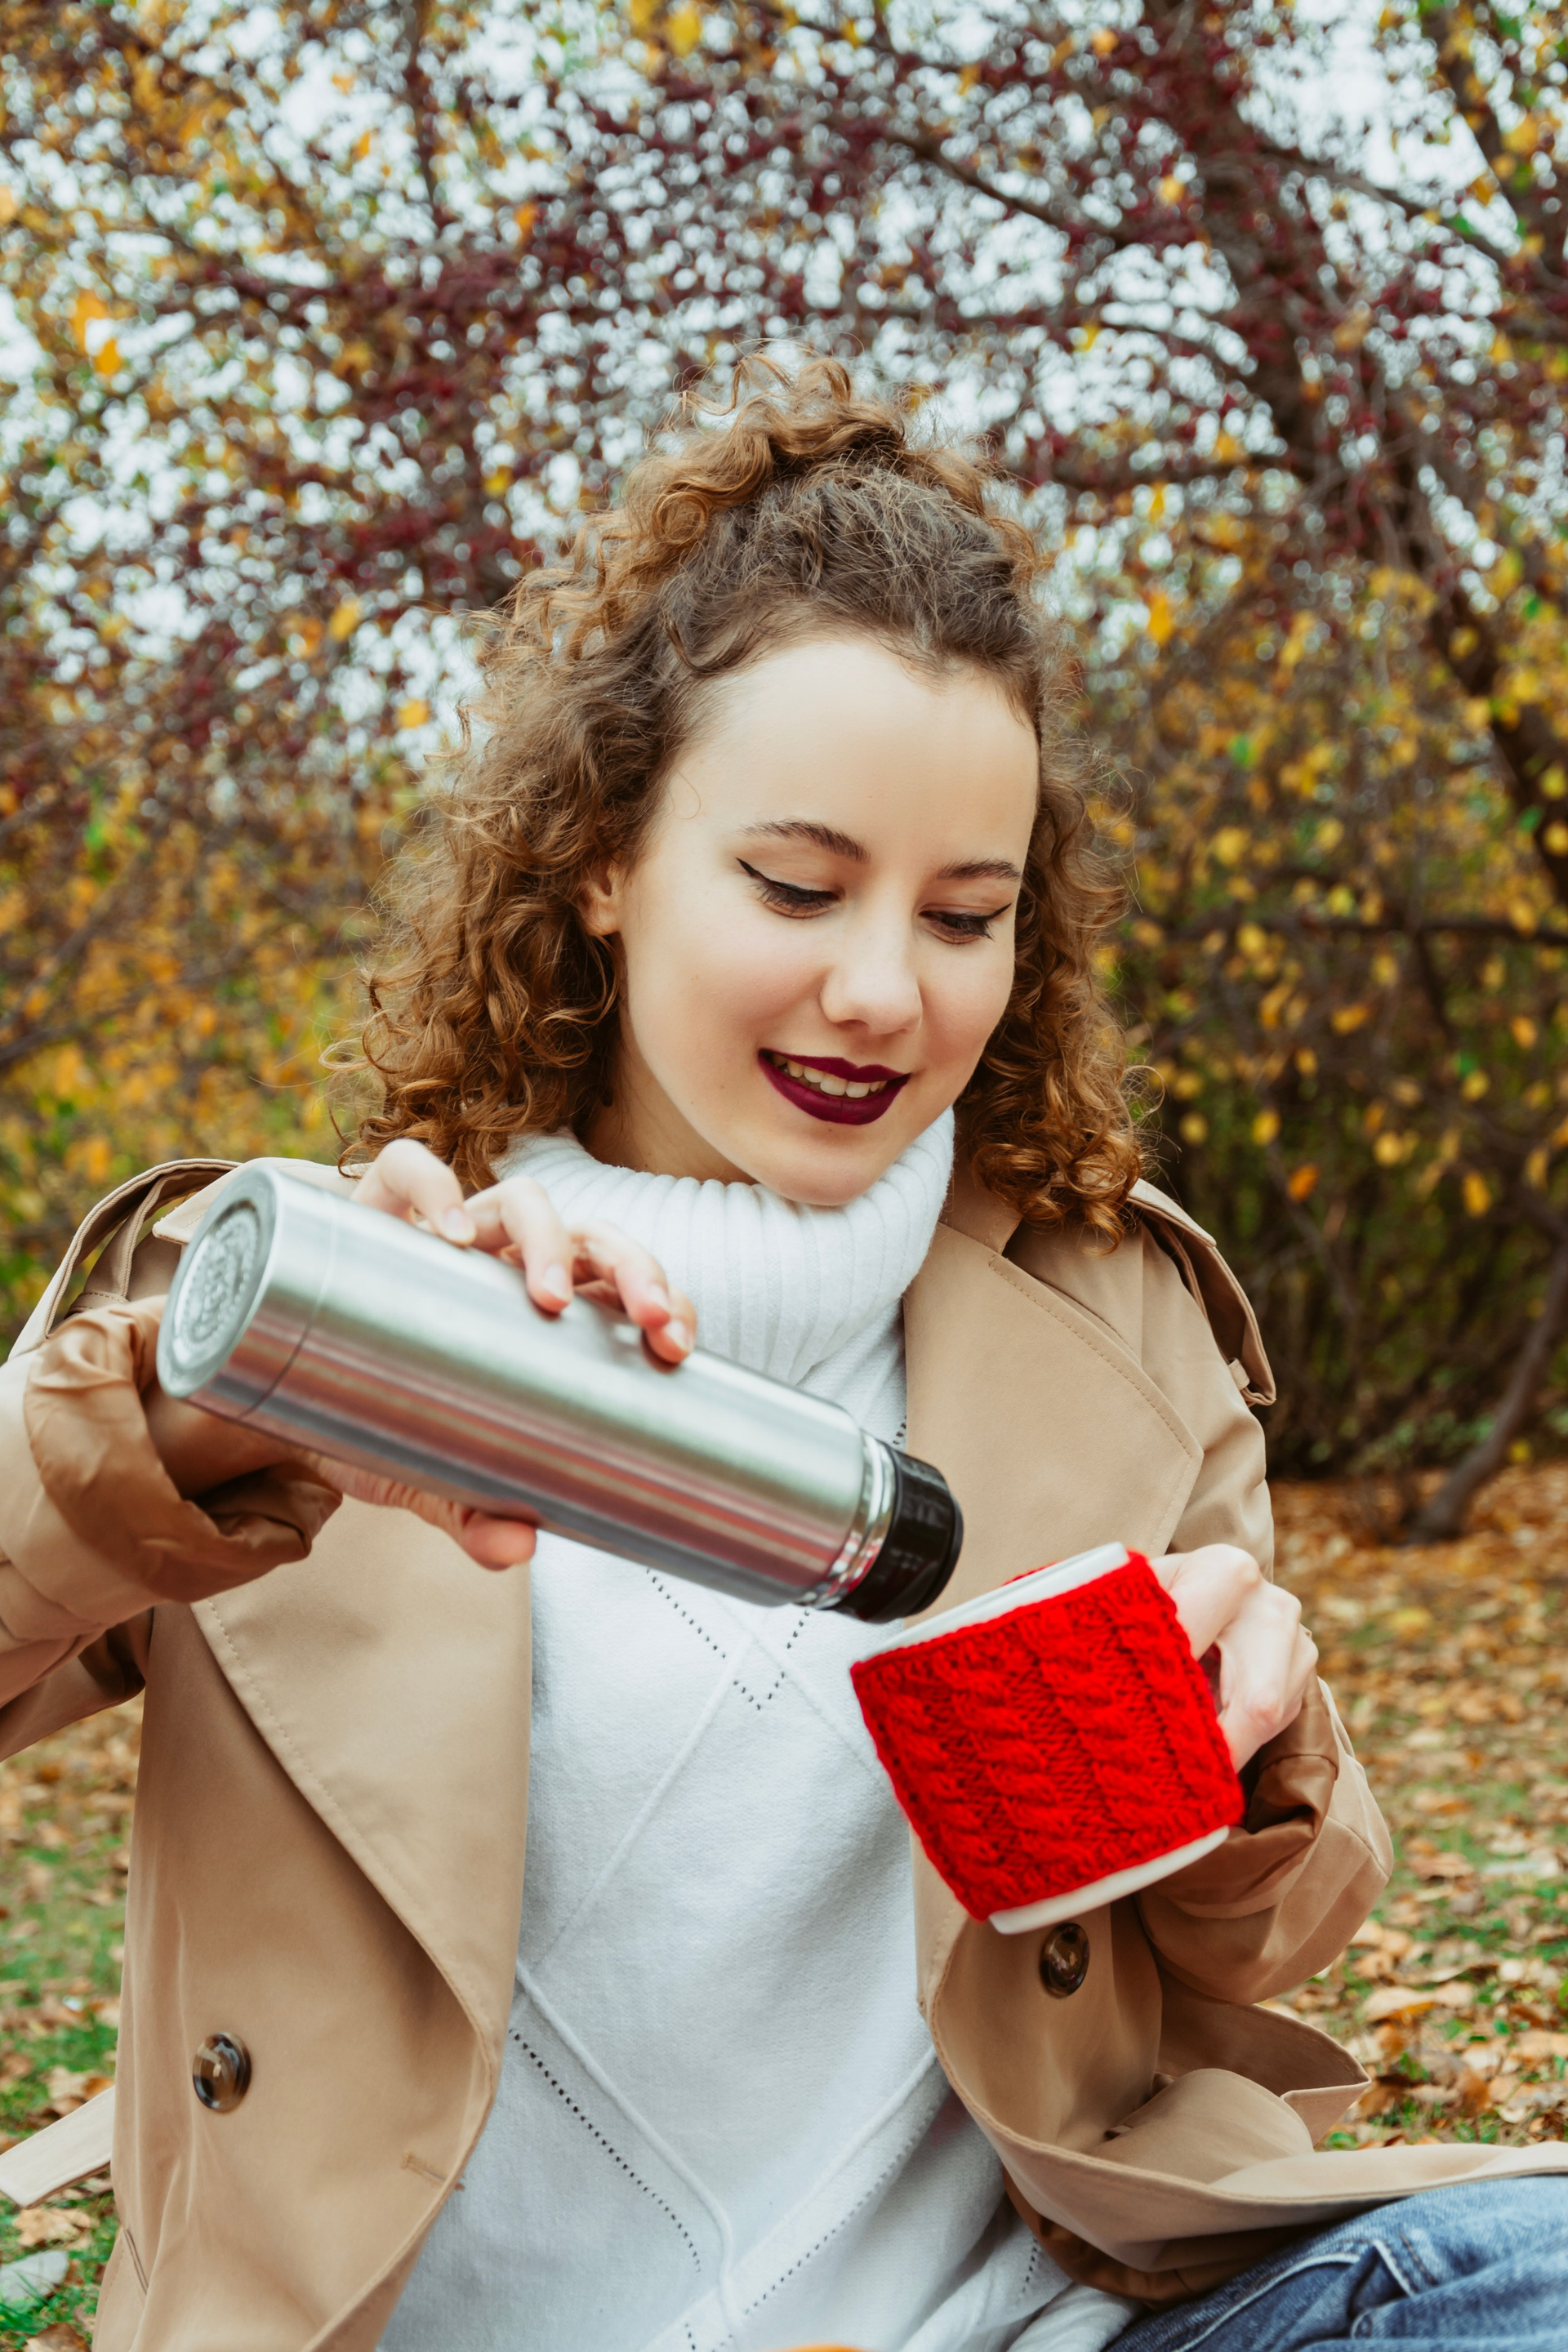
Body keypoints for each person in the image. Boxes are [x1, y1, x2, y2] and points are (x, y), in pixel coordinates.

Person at [2, 360, 1565, 2352]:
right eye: (798, 887)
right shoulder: (322, 1298)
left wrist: (1253, 1763)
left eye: (966, 915)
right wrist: (193, 1415)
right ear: (602, 856)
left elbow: (1244, 1958)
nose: (882, 990)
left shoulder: (1123, 1319)